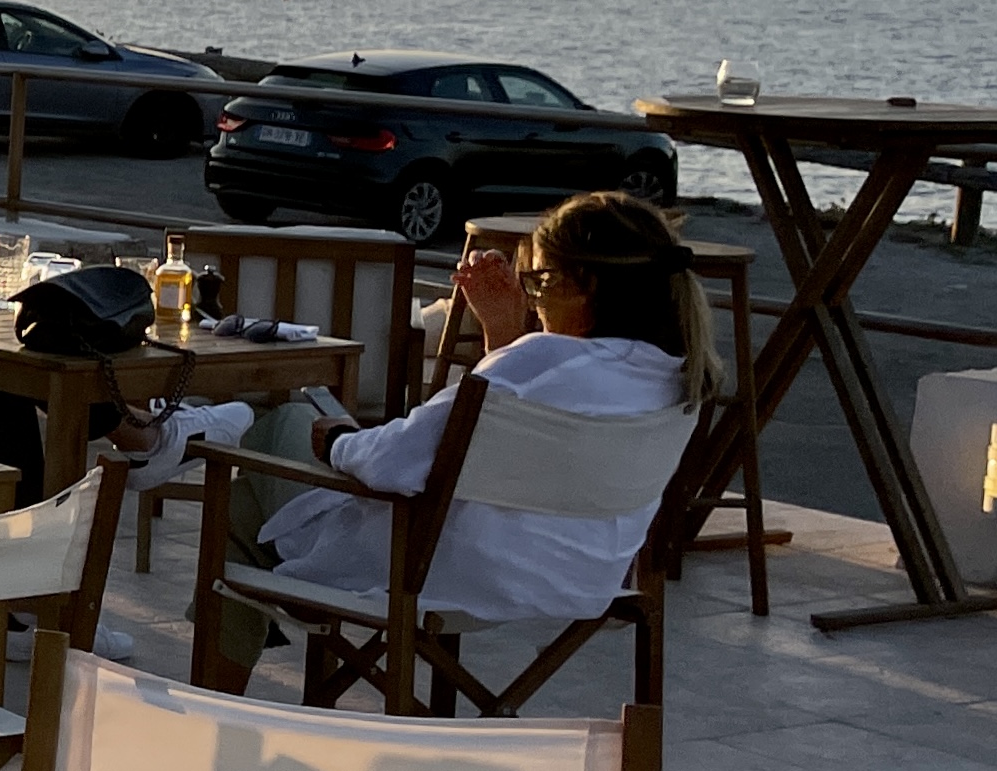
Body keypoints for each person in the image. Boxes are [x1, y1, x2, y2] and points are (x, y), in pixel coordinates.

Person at [212, 188, 717, 659]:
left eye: (538, 281)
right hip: (575, 581)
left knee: (271, 443)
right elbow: (503, 444)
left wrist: (341, 438)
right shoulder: (681, 377)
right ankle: (264, 614)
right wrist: (502, 332)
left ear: (582, 285)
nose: (535, 301)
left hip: (436, 573)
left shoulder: (541, 359)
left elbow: (395, 462)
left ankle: (228, 695)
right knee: (249, 512)